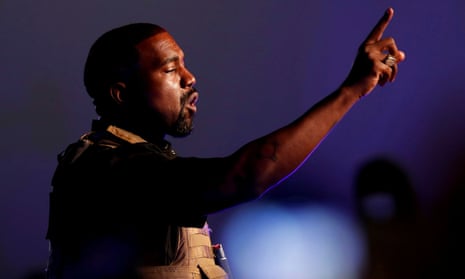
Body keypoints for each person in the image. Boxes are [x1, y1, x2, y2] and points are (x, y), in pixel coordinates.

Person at [45, 7, 405, 279]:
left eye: (184, 65)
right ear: (120, 94)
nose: (189, 78)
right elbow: (248, 174)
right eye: (170, 69)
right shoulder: (106, 169)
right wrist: (350, 91)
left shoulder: (148, 164)